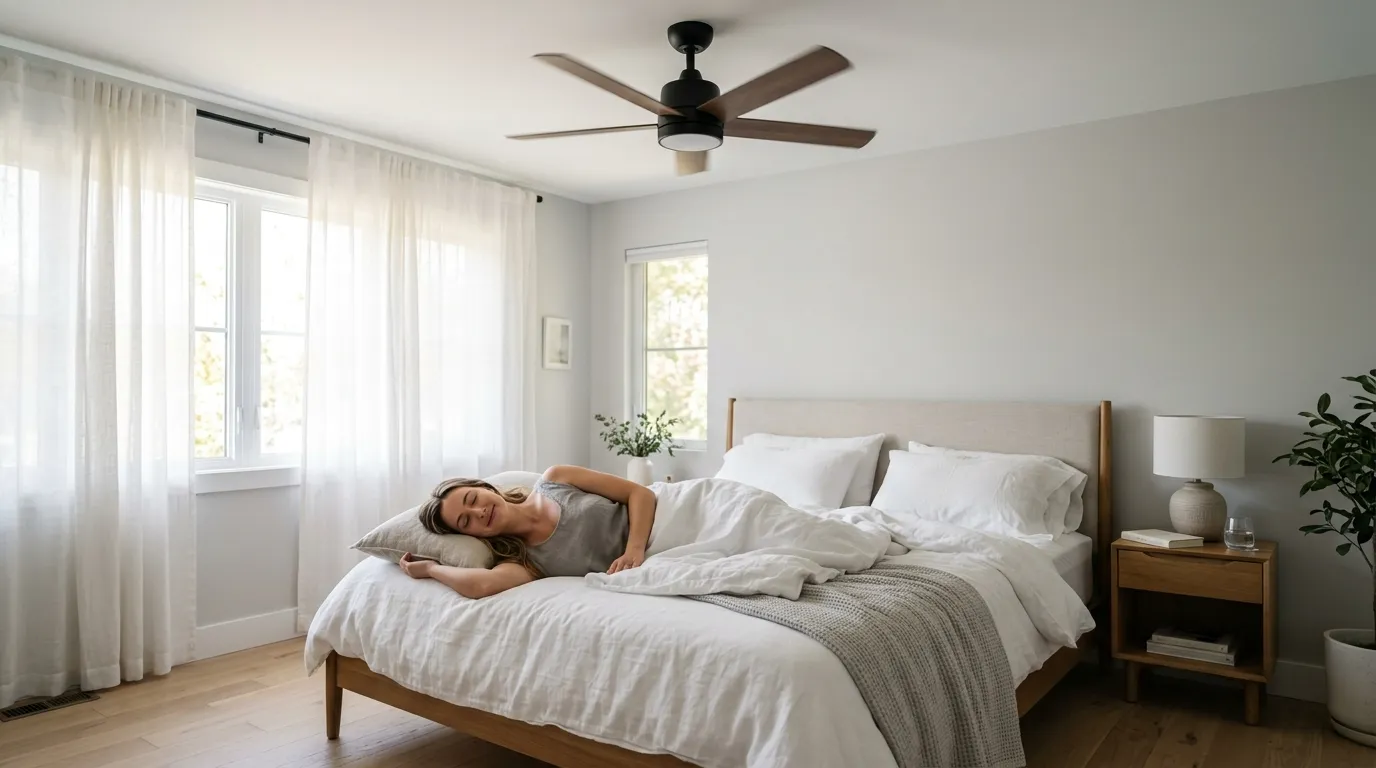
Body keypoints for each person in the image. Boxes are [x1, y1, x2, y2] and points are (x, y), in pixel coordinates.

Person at [399, 465, 656, 598]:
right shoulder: (525, 562)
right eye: (466, 521)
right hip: (658, 561)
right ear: (471, 536)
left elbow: (639, 493)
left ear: (484, 487)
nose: (479, 512)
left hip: (662, 517)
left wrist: (634, 549)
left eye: (473, 499)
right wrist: (431, 569)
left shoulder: (555, 479)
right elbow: (482, 584)